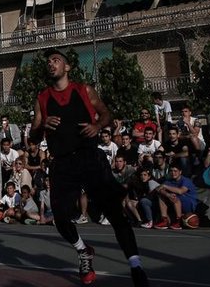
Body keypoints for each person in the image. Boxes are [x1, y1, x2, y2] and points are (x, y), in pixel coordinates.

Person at [30, 48, 148, 286]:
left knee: (116, 213)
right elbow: (32, 137)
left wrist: (97, 126)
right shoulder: (42, 98)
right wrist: (42, 127)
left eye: (56, 60)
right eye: (49, 61)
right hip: (62, 163)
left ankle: (136, 266)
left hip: (89, 158)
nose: (51, 64)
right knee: (60, 218)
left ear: (67, 67)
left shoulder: (84, 90)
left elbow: (106, 114)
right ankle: (83, 251)